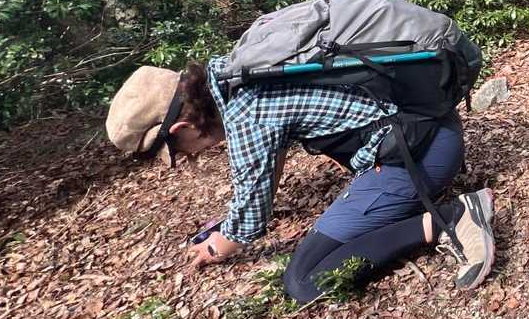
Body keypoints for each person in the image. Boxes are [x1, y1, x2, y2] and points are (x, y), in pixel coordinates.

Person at [105, 59, 495, 302]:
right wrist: (234, 220)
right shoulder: (238, 74)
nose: (188, 157)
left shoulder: (245, 117)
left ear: (182, 128)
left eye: (177, 151)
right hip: (428, 127)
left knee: (304, 281)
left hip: (419, 155)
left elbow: (248, 225)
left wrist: (218, 244)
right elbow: (264, 171)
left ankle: (451, 219)